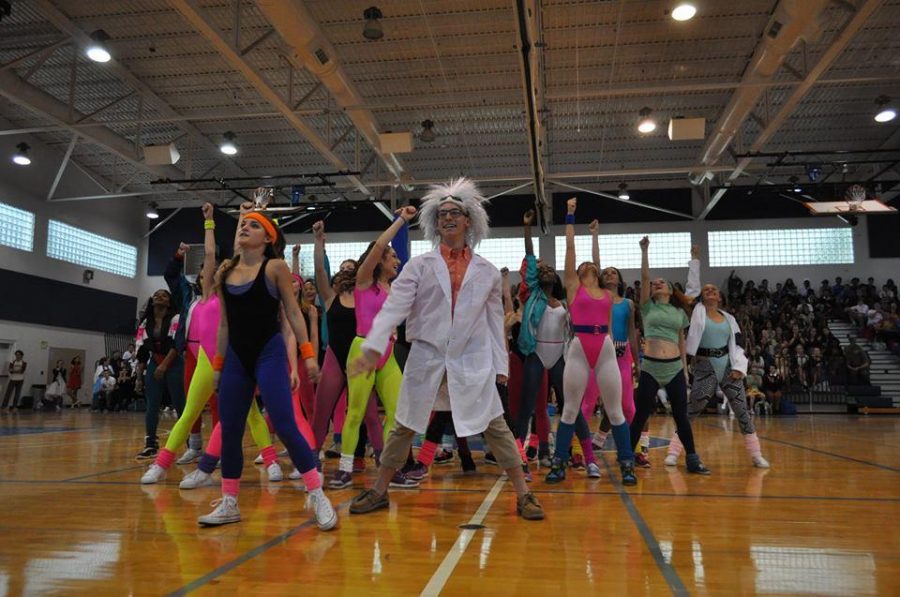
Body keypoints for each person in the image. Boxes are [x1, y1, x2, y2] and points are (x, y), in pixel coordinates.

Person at [348, 178, 544, 520]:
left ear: (469, 220)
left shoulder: (486, 272)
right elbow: (394, 307)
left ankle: (524, 494)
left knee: (495, 425)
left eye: (455, 213)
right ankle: (379, 490)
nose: (447, 218)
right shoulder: (418, 266)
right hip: (427, 358)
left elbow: (493, 324)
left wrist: (501, 367)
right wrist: (374, 344)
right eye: (441, 214)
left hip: (471, 361)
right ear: (435, 223)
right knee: (404, 424)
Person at [196, 208, 336, 530]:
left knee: (285, 425)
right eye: (243, 224)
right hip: (235, 358)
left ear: (267, 238)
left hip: (269, 354)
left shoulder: (275, 267)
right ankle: (229, 502)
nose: (244, 228)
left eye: (253, 225)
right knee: (230, 428)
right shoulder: (226, 273)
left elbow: (293, 313)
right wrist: (218, 365)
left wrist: (308, 354)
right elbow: (224, 326)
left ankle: (316, 493)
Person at [544, 200, 634, 485]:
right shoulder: (574, 286)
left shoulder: (607, 293)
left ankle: (627, 464)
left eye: (592, 265)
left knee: (616, 409)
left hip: (605, 347)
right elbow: (571, 251)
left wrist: (596, 235)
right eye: (584, 266)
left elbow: (608, 326)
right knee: (570, 409)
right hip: (580, 347)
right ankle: (559, 463)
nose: (587, 266)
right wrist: (569, 216)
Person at [515, 208, 599, 479]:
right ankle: (519, 461)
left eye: (551, 269)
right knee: (526, 407)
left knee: (570, 405)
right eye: (543, 269)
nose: (547, 270)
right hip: (536, 355)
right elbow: (530, 260)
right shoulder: (532, 296)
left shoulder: (565, 304)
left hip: (560, 356)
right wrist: (527, 229)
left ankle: (589, 458)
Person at [332, 210, 413, 489]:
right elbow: (380, 246)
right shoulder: (364, 280)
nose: (398, 261)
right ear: (380, 261)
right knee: (355, 414)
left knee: (396, 414)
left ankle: (390, 468)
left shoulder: (392, 288)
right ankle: (344, 469)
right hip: (363, 349)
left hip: (388, 353)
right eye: (393, 258)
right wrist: (400, 222)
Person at [666, 282, 770, 469]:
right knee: (693, 409)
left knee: (742, 410)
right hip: (705, 366)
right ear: (701, 296)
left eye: (714, 289)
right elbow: (686, 293)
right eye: (706, 289)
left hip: (728, 367)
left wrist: (740, 367)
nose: (711, 291)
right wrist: (695, 259)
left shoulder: (730, 319)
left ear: (720, 297)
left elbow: (738, 345)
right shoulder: (696, 311)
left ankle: (756, 454)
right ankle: (673, 452)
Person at [629, 236, 710, 474]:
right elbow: (644, 278)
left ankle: (692, 458)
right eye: (654, 283)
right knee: (641, 414)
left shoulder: (679, 312)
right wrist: (645, 250)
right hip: (651, 367)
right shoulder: (647, 307)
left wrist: (684, 371)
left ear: (669, 289)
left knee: (680, 416)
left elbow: (681, 341)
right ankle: (627, 458)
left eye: (661, 282)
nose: (656, 283)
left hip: (674, 368)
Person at [133, 289, 185, 459]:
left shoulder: (176, 319)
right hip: (154, 363)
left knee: (181, 406)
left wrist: (164, 366)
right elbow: (141, 352)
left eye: (164, 295)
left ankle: (192, 443)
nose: (159, 296)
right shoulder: (144, 323)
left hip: (174, 363)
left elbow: (176, 345)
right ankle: (150, 444)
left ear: (169, 302)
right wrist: (139, 378)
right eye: (156, 294)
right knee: (152, 406)